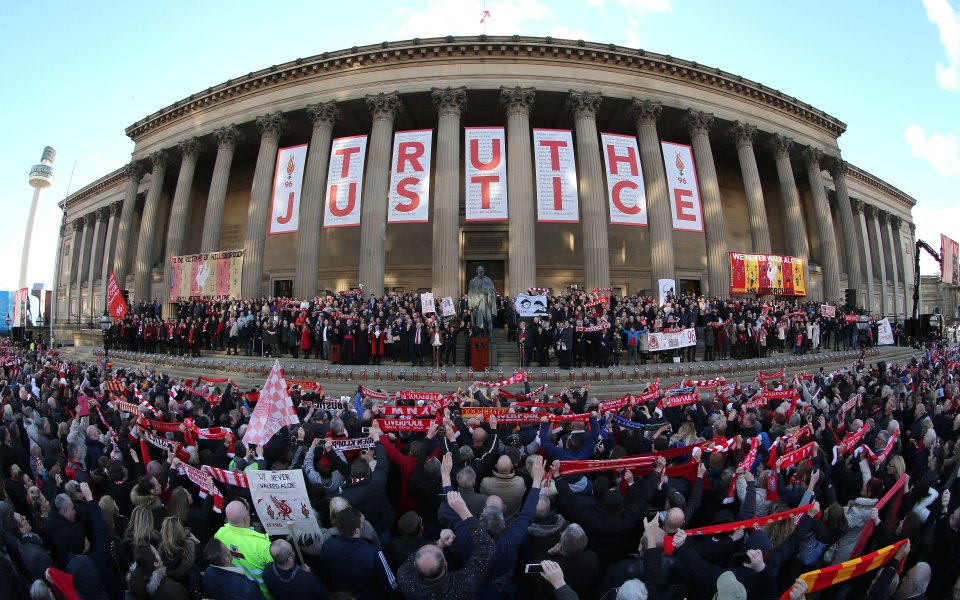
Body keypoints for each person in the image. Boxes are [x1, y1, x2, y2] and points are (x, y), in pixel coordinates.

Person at [397, 490, 494, 600]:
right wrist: (463, 511)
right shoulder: (462, 584)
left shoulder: (404, 578)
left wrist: (439, 543)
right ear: (446, 565)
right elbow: (486, 548)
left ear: (414, 565)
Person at [318, 507, 397, 599]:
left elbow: (326, 573)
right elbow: (391, 582)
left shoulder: (327, 546)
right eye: (362, 525)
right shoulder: (373, 553)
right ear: (357, 530)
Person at [214, 501, 273, 597]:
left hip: (239, 588)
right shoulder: (261, 544)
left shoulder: (220, 534)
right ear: (246, 519)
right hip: (264, 593)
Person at [263, 539, 330, 600]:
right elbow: (326, 596)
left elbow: (271, 592)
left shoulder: (267, 571)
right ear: (290, 558)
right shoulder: (308, 579)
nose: (293, 550)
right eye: (292, 549)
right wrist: (308, 575)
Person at [202, 538, 266, 600]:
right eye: (227, 548)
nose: (229, 550)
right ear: (226, 560)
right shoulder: (247, 588)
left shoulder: (208, 572)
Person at [468, 266, 498, 335]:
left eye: (482, 271)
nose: (481, 272)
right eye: (480, 271)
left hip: (487, 303)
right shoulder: (472, 281)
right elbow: (470, 293)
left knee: (489, 320)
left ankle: (490, 336)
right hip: (476, 304)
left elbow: (493, 290)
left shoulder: (488, 280)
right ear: (477, 271)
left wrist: (486, 291)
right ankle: (478, 335)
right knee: (478, 321)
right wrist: (470, 305)